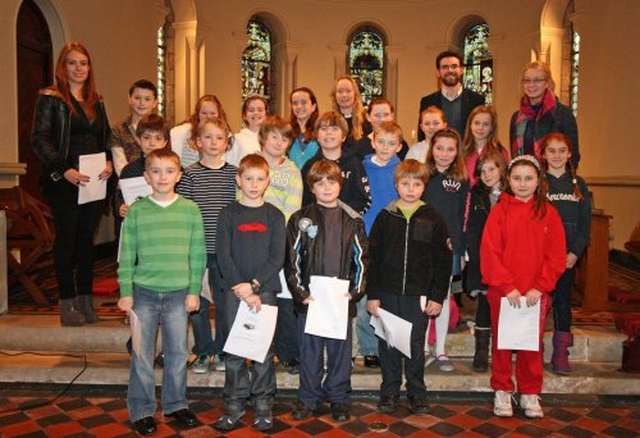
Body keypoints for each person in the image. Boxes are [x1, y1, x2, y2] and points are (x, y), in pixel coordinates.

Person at [117, 148, 205, 436]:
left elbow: (198, 254)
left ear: (179, 175)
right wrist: (126, 291)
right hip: (143, 294)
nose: (162, 176)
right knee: (142, 354)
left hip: (179, 294)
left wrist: (194, 291)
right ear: (146, 176)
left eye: (169, 171)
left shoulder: (190, 210)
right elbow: (127, 254)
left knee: (178, 353)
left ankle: (175, 403)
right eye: (156, 171)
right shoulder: (138, 212)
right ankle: (142, 409)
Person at [31, 42, 112, 326]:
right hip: (63, 180)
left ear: (89, 68)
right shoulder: (51, 98)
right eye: (72, 63)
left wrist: (109, 163)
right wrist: (64, 169)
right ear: (62, 67)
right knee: (67, 239)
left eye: (83, 63)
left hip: (92, 179)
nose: (79, 68)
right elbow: (40, 139)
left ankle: (86, 301)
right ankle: (67, 303)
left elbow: (105, 139)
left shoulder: (96, 101)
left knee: (85, 241)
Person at [481, 155, 566, 419]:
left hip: (534, 293)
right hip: (504, 292)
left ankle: (530, 390)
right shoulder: (500, 211)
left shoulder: (548, 212)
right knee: (503, 343)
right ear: (508, 179)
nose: (522, 183)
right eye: (517, 178)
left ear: (538, 180)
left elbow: (556, 255)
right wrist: (507, 286)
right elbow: (489, 252)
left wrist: (540, 287)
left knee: (532, 344)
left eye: (529, 178)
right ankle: (503, 389)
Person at [285, 160, 369, 423]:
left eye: (331, 181)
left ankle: (339, 398)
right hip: (311, 298)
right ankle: (308, 398)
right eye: (320, 183)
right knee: (309, 352)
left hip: (340, 299)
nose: (326, 187)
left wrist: (355, 291)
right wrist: (300, 292)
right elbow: (292, 258)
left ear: (340, 184)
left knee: (340, 352)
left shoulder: (353, 221)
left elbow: (362, 260)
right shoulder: (300, 219)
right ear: (312, 187)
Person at [367, 159, 452, 414]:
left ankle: (417, 392)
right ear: (397, 185)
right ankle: (390, 391)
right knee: (389, 343)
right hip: (388, 293)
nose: (411, 188)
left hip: (419, 294)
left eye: (416, 183)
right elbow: (373, 258)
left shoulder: (433, 217)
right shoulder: (385, 216)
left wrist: (437, 296)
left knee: (416, 345)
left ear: (424, 186)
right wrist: (373, 294)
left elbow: (443, 261)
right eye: (405, 183)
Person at [214, 154, 286, 432]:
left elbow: (277, 257)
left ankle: (264, 405)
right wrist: (243, 289)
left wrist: (254, 286)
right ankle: (233, 404)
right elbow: (224, 256)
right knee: (234, 350)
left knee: (262, 352)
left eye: (259, 179)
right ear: (238, 180)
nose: (254, 184)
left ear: (267, 181)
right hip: (234, 290)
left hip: (264, 291)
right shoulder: (228, 214)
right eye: (248, 178)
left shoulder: (274, 215)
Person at [176, 116, 238, 374]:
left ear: (227, 142)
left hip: (226, 252)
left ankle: (224, 349)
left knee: (225, 305)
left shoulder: (235, 174)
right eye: (208, 137)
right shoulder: (189, 175)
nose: (214, 142)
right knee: (197, 302)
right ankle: (203, 350)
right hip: (198, 251)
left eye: (219, 137)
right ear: (197, 142)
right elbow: (184, 215)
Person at [256, 115, 303, 375]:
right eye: (274, 135)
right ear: (263, 136)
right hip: (251, 241)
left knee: (285, 299)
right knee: (259, 298)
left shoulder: (292, 170)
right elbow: (243, 199)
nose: (278, 142)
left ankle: (288, 353)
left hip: (280, 241)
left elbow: (292, 209)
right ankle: (260, 349)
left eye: (284, 138)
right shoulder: (250, 163)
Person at [541, 133, 591, 375]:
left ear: (570, 153)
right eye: (552, 150)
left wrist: (575, 253)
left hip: (567, 258)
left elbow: (584, 225)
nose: (557, 155)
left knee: (562, 302)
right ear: (544, 154)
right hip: (541, 258)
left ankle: (561, 351)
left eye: (562, 150)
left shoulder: (578, 184)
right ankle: (534, 349)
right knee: (540, 303)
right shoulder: (539, 183)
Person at [358, 120, 405, 369]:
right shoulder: (362, 166)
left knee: (388, 294)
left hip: (391, 238)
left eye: (391, 143)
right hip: (365, 236)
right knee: (365, 294)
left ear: (399, 146)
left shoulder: (402, 169)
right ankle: (368, 348)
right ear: (373, 141)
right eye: (381, 142)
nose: (385, 147)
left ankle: (390, 343)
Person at [422, 128, 470, 372]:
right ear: (432, 148)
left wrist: (461, 252)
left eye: (450, 149)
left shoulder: (461, 179)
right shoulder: (423, 174)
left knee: (443, 297)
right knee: (421, 296)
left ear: (457, 151)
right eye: (439, 148)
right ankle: (421, 348)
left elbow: (462, 217)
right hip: (424, 245)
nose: (444, 153)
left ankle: (440, 349)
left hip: (449, 248)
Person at [463, 150, 508, 373]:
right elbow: (471, 224)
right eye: (482, 171)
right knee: (484, 301)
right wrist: (471, 252)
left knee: (506, 303)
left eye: (492, 168)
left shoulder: (512, 193)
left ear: (502, 168)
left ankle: (504, 351)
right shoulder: (476, 193)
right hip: (484, 254)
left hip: (508, 256)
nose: (487, 174)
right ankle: (481, 350)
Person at [510, 61, 580, 169]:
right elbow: (515, 158)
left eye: (537, 80)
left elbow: (573, 156)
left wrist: (560, 183)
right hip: (525, 182)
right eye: (527, 80)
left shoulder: (563, 114)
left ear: (547, 83)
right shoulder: (516, 118)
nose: (531, 85)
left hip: (555, 181)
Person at [301, 111, 371, 216]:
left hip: (347, 224)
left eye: (334, 129)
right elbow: (304, 200)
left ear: (343, 137)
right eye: (323, 129)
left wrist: (344, 218)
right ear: (317, 137)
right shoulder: (309, 166)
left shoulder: (354, 164)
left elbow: (363, 199)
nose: (329, 132)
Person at [418, 50, 485, 140]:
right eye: (445, 67)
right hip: (438, 153)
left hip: (468, 152)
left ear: (461, 70)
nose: (450, 70)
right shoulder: (428, 102)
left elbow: (483, 132)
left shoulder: (476, 100)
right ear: (438, 72)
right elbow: (422, 136)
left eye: (454, 66)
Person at [110, 79, 158, 176]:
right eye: (137, 98)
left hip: (158, 182)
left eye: (147, 99)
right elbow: (120, 165)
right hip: (128, 182)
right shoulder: (118, 130)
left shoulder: (162, 128)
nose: (142, 103)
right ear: (129, 99)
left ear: (155, 103)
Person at [170, 94, 228, 168]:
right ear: (197, 114)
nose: (208, 117)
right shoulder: (185, 133)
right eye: (204, 113)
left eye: (212, 113)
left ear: (219, 114)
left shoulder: (224, 134)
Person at [461, 105, 509, 187]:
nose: (480, 128)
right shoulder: (461, 151)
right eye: (477, 123)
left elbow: (505, 179)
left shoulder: (500, 152)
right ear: (470, 125)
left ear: (492, 128)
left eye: (486, 124)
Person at [330, 75, 370, 152]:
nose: (344, 95)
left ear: (355, 94)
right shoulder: (330, 120)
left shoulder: (366, 120)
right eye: (340, 91)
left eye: (348, 91)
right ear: (334, 95)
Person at [226, 95, 268, 166]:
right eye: (251, 110)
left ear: (266, 114)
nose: (256, 113)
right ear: (244, 115)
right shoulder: (236, 139)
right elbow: (228, 164)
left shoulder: (272, 138)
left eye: (260, 110)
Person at [288, 87, 320, 169]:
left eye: (303, 102)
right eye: (295, 103)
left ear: (313, 106)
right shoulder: (286, 131)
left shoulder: (321, 131)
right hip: (292, 179)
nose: (299, 106)